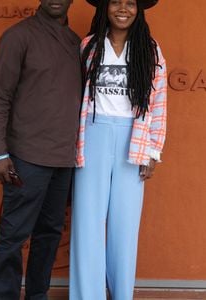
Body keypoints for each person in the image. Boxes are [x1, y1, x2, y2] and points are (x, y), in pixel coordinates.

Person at [70, 0, 167, 299]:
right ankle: (89, 295)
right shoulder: (89, 46)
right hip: (94, 136)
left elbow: (159, 101)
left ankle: (122, 293)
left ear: (139, 9)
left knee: (125, 226)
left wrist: (152, 151)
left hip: (132, 139)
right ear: (105, 8)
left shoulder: (150, 50)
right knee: (87, 222)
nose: (122, 9)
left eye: (130, 3)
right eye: (115, 2)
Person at [0, 0, 81, 298]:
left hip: (65, 158)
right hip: (25, 156)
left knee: (50, 234)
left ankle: (37, 294)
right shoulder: (18, 36)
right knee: (13, 235)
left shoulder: (77, 42)